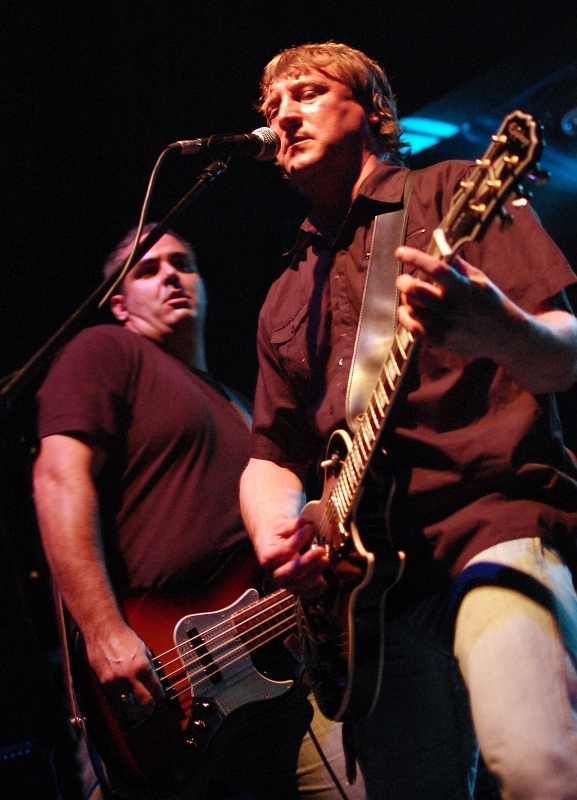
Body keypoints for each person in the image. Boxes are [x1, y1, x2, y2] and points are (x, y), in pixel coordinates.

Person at [239, 41, 577, 800]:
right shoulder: (285, 292)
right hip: (364, 593)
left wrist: (497, 328)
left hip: (490, 520)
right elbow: (271, 455)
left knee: (532, 766)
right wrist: (278, 537)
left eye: (307, 92)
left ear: (376, 114)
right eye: (271, 106)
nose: (284, 113)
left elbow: (564, 356)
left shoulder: (450, 193)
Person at [32, 224, 366, 800]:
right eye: (147, 269)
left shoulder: (242, 406)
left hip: (283, 660)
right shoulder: (105, 351)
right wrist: (104, 630)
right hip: (169, 671)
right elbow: (58, 478)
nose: (170, 276)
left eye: (183, 264)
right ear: (119, 303)